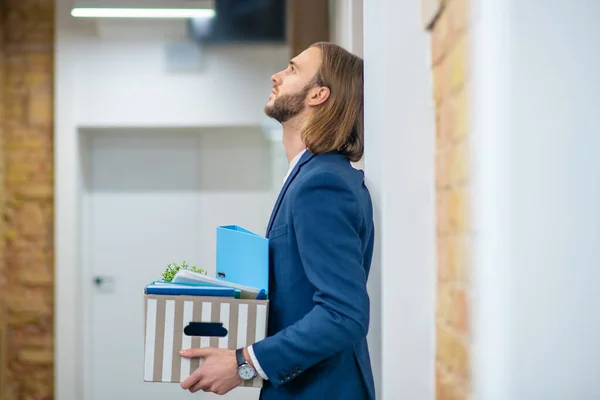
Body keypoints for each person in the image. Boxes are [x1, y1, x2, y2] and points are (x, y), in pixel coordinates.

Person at [179, 42, 375, 400]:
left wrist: (244, 362)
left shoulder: (322, 182)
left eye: (292, 69)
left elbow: (343, 314)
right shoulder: (308, 175)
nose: (277, 75)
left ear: (318, 94)